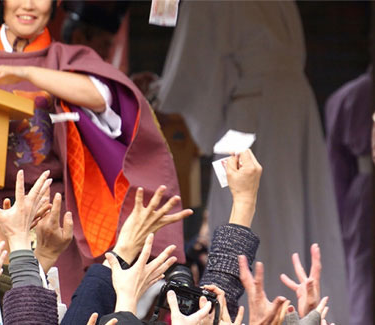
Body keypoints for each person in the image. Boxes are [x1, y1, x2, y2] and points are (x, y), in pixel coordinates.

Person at [0, 0, 182, 303]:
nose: (28, 5)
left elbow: (104, 98)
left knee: (58, 311)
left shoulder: (67, 58)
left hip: (50, 224)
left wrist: (30, 72)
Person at [158, 1, 348, 320]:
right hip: (292, 107)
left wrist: (159, 94)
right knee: (295, 216)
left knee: (249, 209)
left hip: (253, 112)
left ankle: (256, 312)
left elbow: (192, 70)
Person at [324, 66, 373, 325]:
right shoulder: (347, 98)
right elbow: (337, 170)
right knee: (364, 277)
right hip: (365, 194)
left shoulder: (345, 97)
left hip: (362, 196)